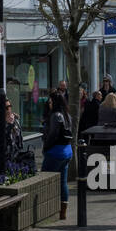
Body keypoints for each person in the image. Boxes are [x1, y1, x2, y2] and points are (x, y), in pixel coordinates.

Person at [42, 90, 73, 220]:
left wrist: (46, 147)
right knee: (63, 182)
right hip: (67, 151)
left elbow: (53, 135)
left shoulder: (56, 115)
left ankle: (45, 209)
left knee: (44, 179)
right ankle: (63, 211)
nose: (49, 104)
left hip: (55, 152)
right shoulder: (67, 115)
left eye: (50, 102)